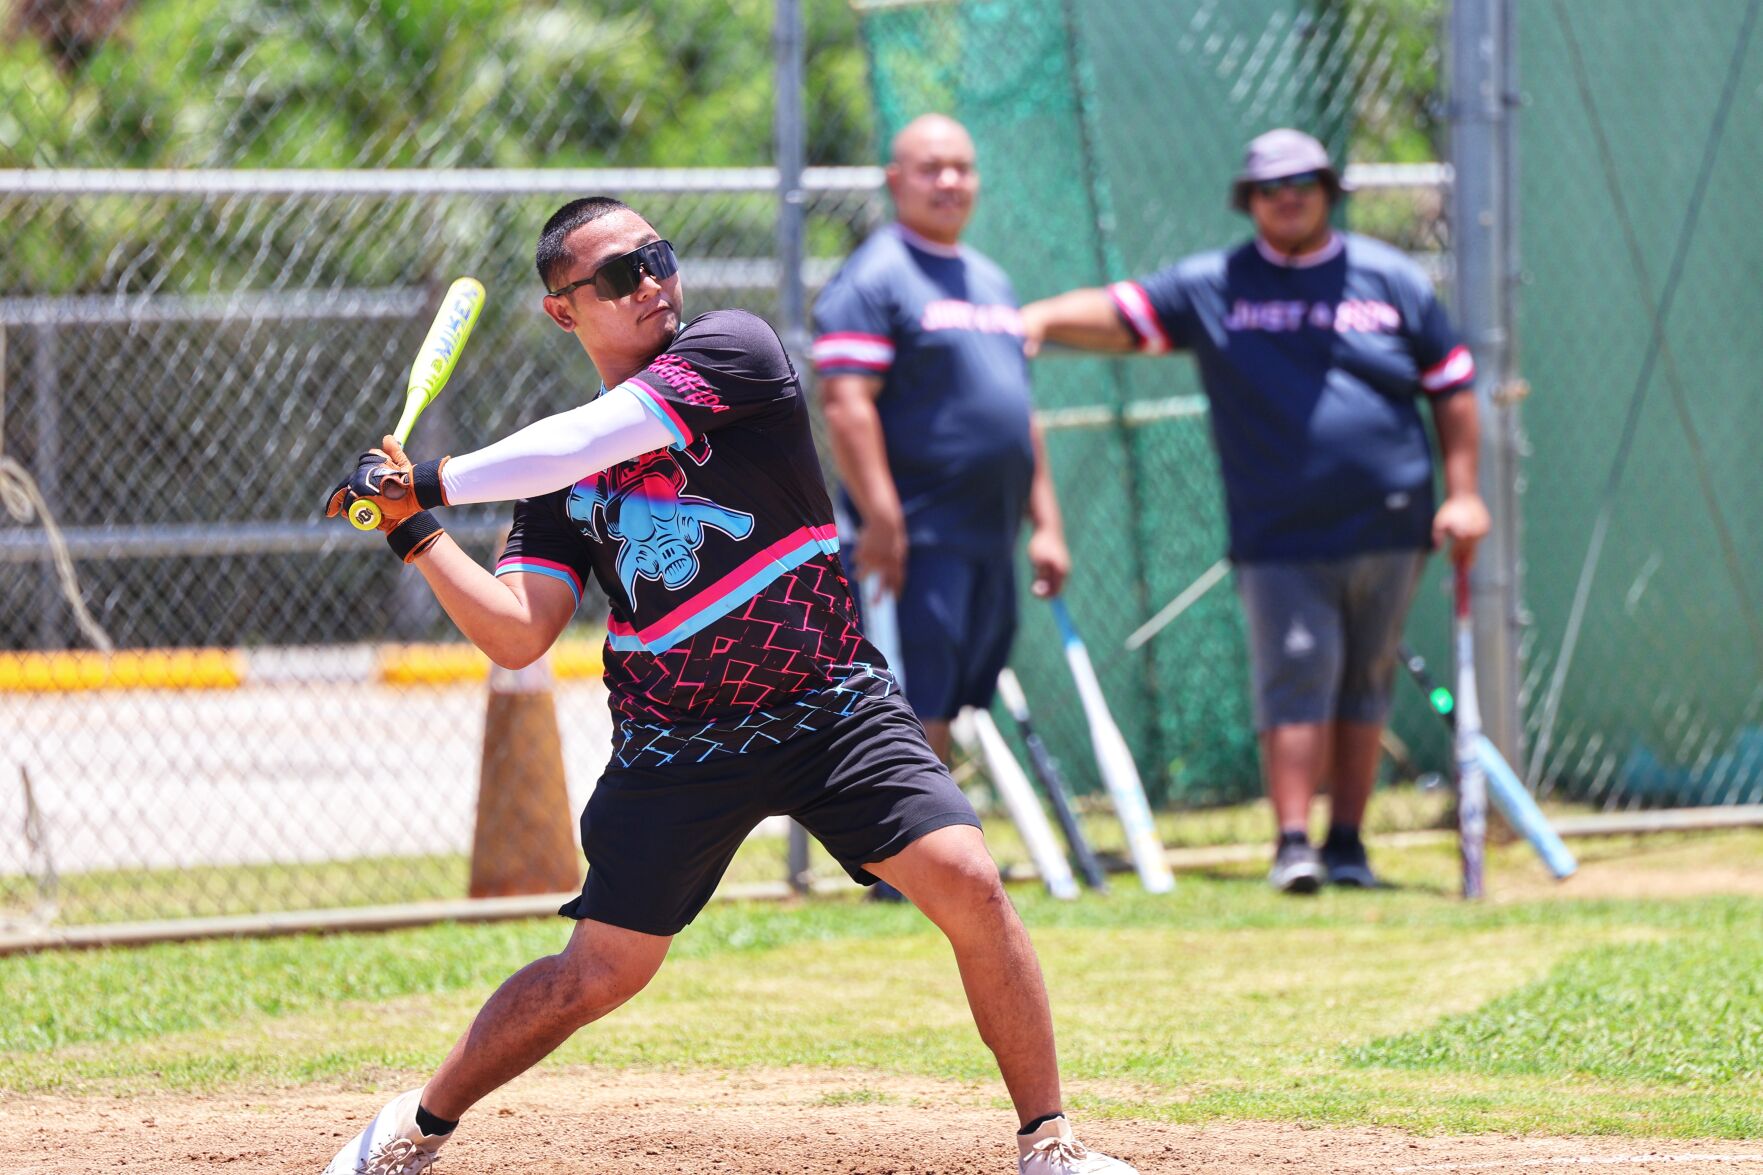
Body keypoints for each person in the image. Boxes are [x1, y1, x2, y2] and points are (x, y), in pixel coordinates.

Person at [317, 196, 1135, 1175]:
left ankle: (1049, 1141)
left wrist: (429, 479)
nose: (652, 280)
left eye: (656, 257)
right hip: (679, 745)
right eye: (618, 275)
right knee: (599, 972)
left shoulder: (731, 350)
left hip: (829, 701)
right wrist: (412, 531)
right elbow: (516, 632)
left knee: (967, 876)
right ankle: (418, 1121)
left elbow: (592, 437)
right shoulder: (551, 482)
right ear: (562, 310)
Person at [1019, 129, 1489, 894]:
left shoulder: (1390, 277)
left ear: (1327, 188)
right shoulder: (1219, 284)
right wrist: (1033, 321)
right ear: (1250, 201)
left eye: (1303, 181)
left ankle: (1347, 844)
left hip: (1390, 523)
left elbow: (1451, 386)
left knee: (1365, 682)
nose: (1288, 195)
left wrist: (1463, 492)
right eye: (1270, 187)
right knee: (1296, 674)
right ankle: (1293, 842)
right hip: (1280, 533)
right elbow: (1120, 311)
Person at [811, 113, 1070, 769]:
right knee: (911, 702)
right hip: (915, 540)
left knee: (950, 700)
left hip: (989, 536)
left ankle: (934, 858)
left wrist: (1047, 523)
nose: (948, 181)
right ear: (895, 181)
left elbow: (1019, 412)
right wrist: (883, 518)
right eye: (930, 168)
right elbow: (845, 405)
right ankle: (907, 865)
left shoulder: (990, 279)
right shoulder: (873, 278)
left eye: (961, 167)